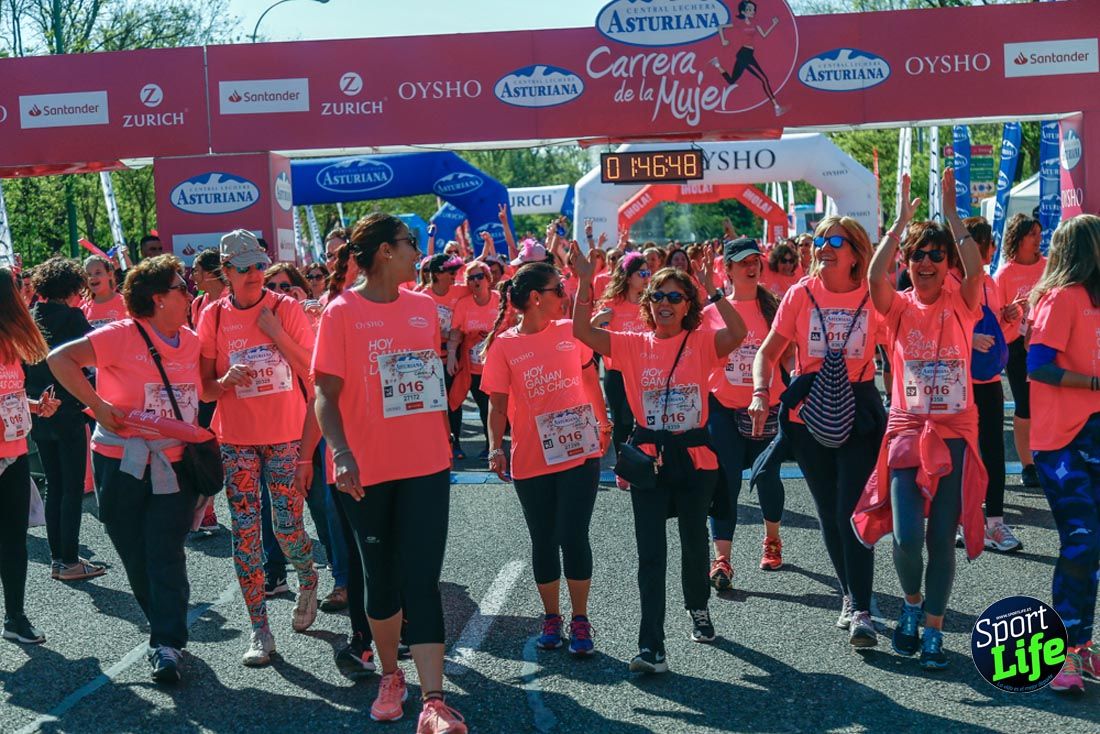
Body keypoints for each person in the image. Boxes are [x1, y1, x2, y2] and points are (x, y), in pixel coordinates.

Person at [313, 213, 466, 732]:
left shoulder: (423, 308)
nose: (416, 252)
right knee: (380, 578)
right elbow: (325, 394)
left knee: (422, 579)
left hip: (426, 464)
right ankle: (390, 675)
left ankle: (434, 701)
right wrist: (340, 453)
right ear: (384, 251)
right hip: (367, 469)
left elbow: (426, 382)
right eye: (409, 243)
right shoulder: (340, 312)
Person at [573, 248, 747, 675]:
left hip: (694, 456)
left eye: (674, 297)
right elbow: (581, 331)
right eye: (657, 296)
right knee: (650, 553)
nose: (665, 304)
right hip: (648, 458)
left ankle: (698, 607)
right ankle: (651, 646)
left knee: (693, 541)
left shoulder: (701, 340)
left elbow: (738, 332)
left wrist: (713, 290)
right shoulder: (632, 344)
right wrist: (584, 281)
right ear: (647, 302)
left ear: (688, 305)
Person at [47, 255, 207, 683]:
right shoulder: (120, 334)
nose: (189, 294)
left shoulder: (192, 341)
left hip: (174, 462)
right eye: (181, 288)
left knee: (165, 550)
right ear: (158, 299)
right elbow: (60, 360)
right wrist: (98, 406)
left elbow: (201, 391)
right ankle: (163, 626)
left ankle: (167, 642)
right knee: (133, 551)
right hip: (119, 461)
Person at [853, 171, 986, 670]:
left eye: (936, 255)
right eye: (918, 256)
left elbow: (976, 268)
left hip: (954, 432)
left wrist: (951, 215)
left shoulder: (963, 303)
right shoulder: (898, 307)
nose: (926, 263)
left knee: (939, 538)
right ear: (907, 264)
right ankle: (911, 605)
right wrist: (900, 223)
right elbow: (874, 278)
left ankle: (933, 626)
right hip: (907, 430)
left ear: (947, 264)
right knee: (907, 537)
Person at [750, 215, 886, 648]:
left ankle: (861, 609)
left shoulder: (874, 294)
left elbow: (901, 345)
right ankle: (849, 595)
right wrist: (760, 392)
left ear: (856, 253)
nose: (824, 247)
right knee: (829, 510)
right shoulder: (800, 294)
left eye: (835, 241)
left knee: (851, 509)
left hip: (859, 411)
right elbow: (768, 352)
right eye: (819, 240)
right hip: (808, 413)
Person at [197, 230, 319, 667]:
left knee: (287, 528)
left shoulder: (285, 308)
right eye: (244, 267)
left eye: (259, 265)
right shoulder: (212, 315)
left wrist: (276, 334)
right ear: (226, 272)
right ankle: (259, 629)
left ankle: (307, 577)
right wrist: (224, 381)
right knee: (246, 534)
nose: (254, 273)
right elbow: (204, 389)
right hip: (236, 440)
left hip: (285, 435)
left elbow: (312, 371)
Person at [480, 261, 610, 656]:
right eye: (558, 290)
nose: (563, 297)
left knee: (574, 535)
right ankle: (552, 617)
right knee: (544, 539)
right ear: (537, 298)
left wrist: (604, 423)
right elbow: (496, 404)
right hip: (532, 457)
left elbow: (589, 379)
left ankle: (581, 618)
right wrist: (495, 447)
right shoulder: (504, 345)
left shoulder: (571, 332)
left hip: (579, 452)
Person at [1024, 215, 1100, 693]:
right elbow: (1038, 366)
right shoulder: (1061, 298)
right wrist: (1094, 383)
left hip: (1092, 433)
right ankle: (1065, 652)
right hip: (1061, 442)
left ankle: (1082, 644)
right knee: (1081, 541)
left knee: (1093, 546)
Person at [703, 238, 787, 590]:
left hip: (768, 406)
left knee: (766, 476)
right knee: (726, 481)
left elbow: (789, 356)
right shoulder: (711, 312)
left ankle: (772, 539)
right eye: (742, 262)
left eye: (755, 260)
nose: (751, 267)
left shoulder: (775, 308)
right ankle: (722, 559)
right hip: (724, 407)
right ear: (728, 269)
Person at [25, 258, 104, 581]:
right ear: (72, 287)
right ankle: (69, 561)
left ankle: (59, 558)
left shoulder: (30, 316)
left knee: (54, 485)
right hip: (68, 408)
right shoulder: (73, 318)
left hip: (37, 409)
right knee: (71, 487)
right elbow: (97, 353)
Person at [0, 266, 59, 646]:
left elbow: (11, 395)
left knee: (13, 540)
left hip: (16, 453)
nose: (26, 296)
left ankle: (15, 617)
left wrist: (36, 406)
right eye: (20, 289)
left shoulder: (11, 344)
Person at [962, 217, 1018, 553]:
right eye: (989, 242)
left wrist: (1007, 319)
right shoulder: (952, 281)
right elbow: (938, 324)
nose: (994, 248)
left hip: (990, 379)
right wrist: (968, 338)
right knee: (962, 453)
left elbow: (997, 334)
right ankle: (963, 521)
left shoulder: (990, 282)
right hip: (961, 381)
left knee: (994, 450)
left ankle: (995, 522)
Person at [993, 213, 1044, 489]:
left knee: (1047, 404)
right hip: (1016, 347)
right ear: (1018, 238)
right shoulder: (1004, 274)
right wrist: (1008, 314)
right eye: (1032, 234)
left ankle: (1047, 457)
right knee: (1025, 405)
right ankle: (1028, 465)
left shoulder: (1049, 267)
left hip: (1046, 342)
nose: (1038, 239)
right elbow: (994, 320)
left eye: (1039, 233)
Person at [593, 252, 651, 486]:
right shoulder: (611, 305)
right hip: (617, 372)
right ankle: (623, 468)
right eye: (641, 273)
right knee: (623, 421)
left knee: (646, 421)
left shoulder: (651, 303)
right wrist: (598, 320)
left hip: (647, 373)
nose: (647, 277)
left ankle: (646, 462)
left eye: (648, 273)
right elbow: (590, 332)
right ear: (628, 277)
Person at [446, 261, 500, 456]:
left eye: (479, 276)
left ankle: (492, 447)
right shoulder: (464, 304)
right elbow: (455, 332)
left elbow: (511, 327)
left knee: (489, 407)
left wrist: (491, 336)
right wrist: (451, 356)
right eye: (471, 278)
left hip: (495, 366)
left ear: (488, 278)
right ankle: (455, 446)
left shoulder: (499, 299)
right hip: (471, 366)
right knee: (455, 401)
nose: (475, 281)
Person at [423, 253, 469, 459]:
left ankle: (455, 443)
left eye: (455, 271)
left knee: (453, 400)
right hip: (431, 358)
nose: (454, 275)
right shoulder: (422, 296)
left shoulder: (460, 290)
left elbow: (483, 288)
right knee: (434, 402)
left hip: (454, 354)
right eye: (450, 271)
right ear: (437, 274)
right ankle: (437, 444)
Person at [710, 0, 786, 116]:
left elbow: (764, 34)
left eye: (753, 9)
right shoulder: (739, 23)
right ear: (743, 12)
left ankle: (717, 64)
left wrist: (774, 24)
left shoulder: (755, 22)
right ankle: (776, 107)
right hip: (744, 54)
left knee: (731, 81)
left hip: (748, 54)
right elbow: (720, 27)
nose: (752, 11)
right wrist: (723, 40)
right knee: (764, 79)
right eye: (749, 9)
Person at [81, 255, 127, 328]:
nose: (92, 277)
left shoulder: (126, 303)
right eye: (89, 274)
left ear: (110, 275)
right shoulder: (83, 309)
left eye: (98, 272)